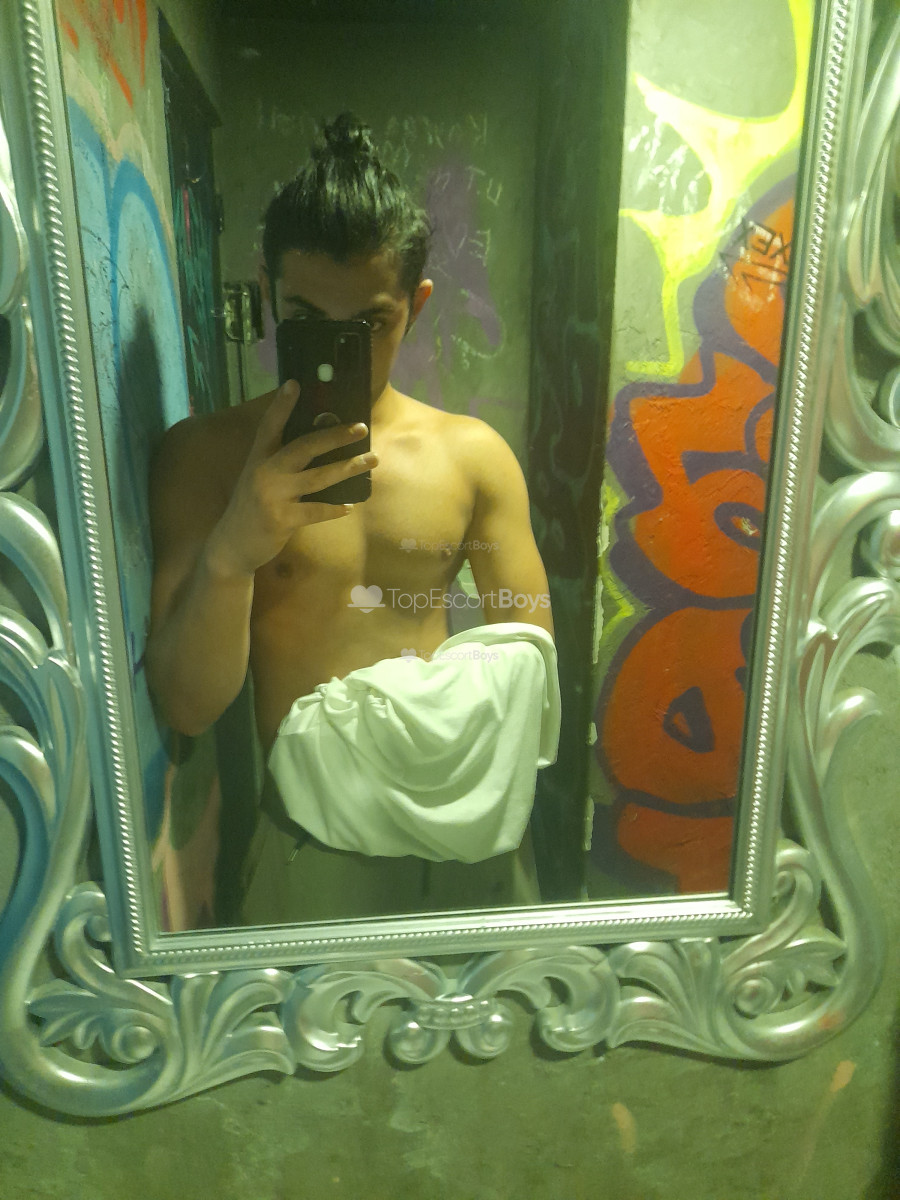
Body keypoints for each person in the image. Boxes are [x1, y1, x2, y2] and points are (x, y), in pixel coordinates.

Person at [145, 113, 555, 923]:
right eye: (306, 320)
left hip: (468, 847)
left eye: (370, 323)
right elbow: (188, 707)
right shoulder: (207, 457)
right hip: (310, 851)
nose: (342, 349)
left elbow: (529, 677)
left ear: (417, 305)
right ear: (267, 292)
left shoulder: (474, 459)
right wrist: (234, 552)